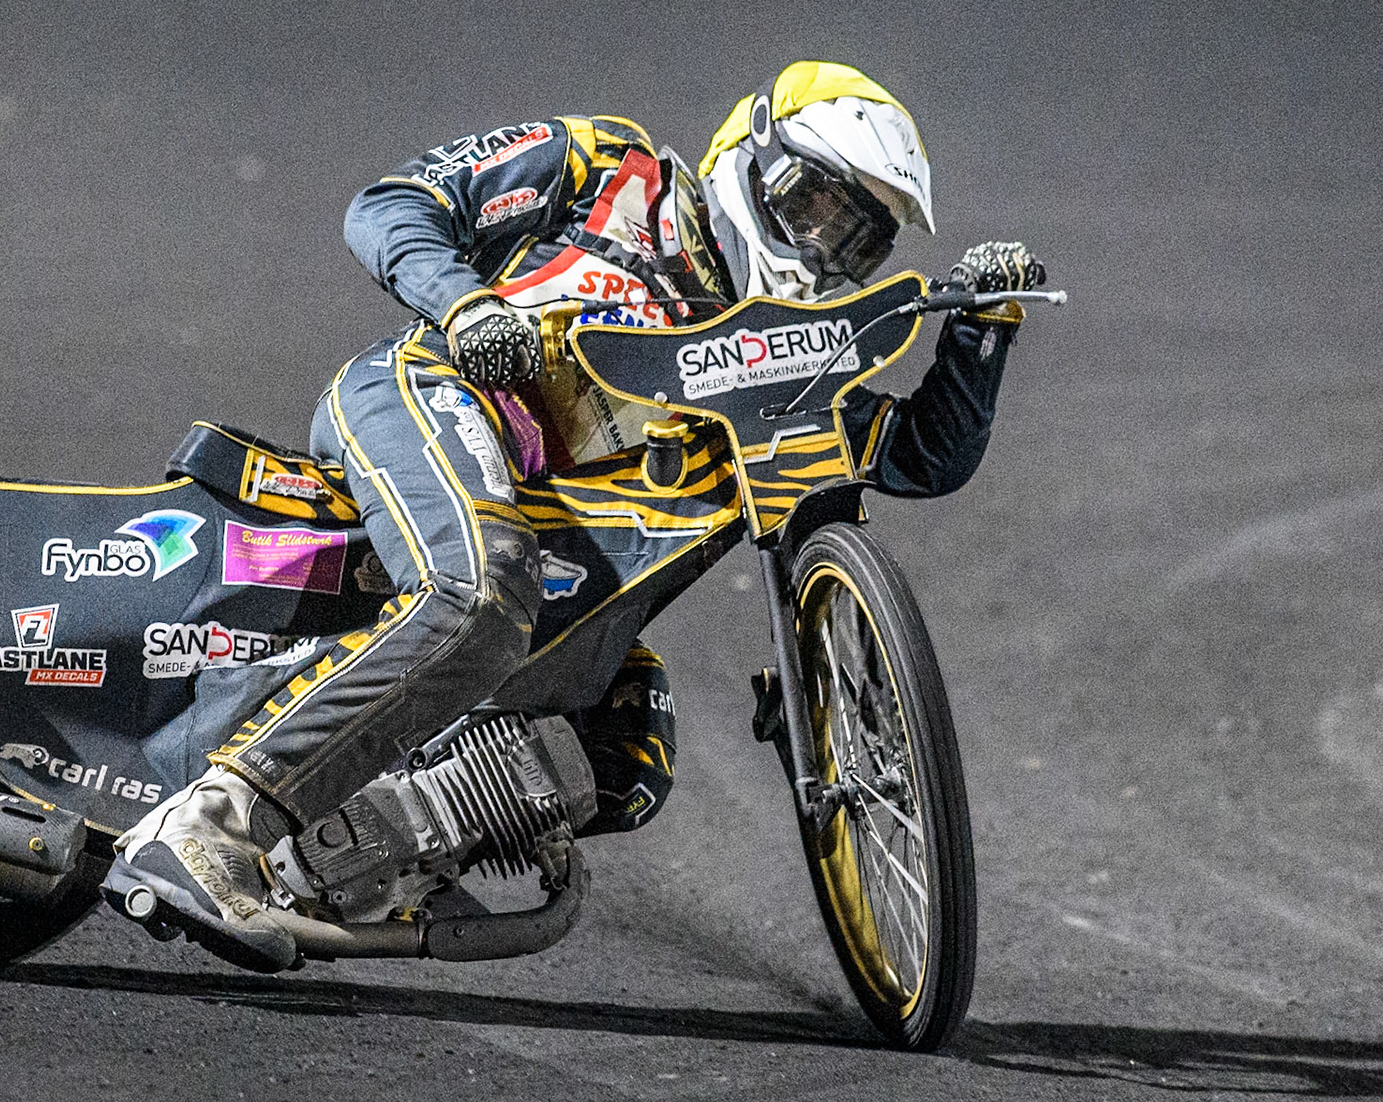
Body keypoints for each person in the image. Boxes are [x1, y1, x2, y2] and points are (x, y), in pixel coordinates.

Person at [105, 61, 1043, 972]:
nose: (820, 249)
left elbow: (921, 454)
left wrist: (981, 331)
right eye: (813, 205)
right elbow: (392, 202)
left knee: (626, 746)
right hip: (427, 392)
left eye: (856, 241)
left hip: (543, 544)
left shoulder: (788, 379)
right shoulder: (610, 169)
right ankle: (208, 828)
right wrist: (465, 303)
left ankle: (341, 856)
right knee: (481, 593)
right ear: (749, 159)